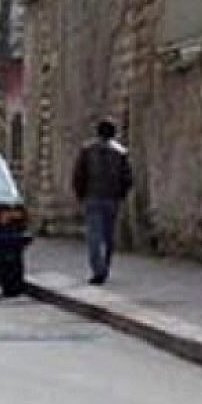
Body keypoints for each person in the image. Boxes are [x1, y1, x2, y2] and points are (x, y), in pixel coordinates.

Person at [72, 118, 133, 285]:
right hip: (112, 199)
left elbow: (79, 175)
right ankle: (105, 267)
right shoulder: (121, 153)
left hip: (92, 197)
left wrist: (80, 194)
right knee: (108, 236)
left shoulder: (87, 150)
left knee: (94, 236)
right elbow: (127, 178)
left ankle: (98, 270)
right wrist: (121, 194)